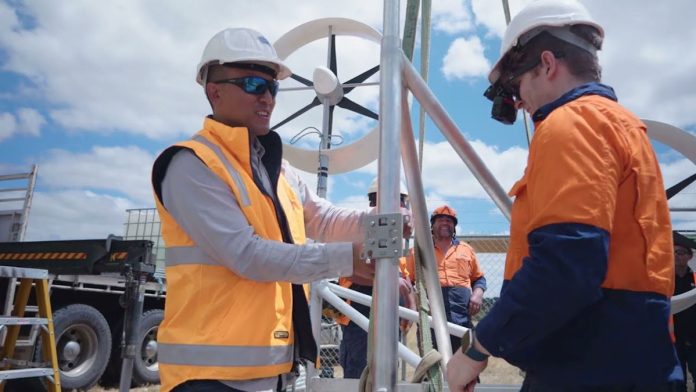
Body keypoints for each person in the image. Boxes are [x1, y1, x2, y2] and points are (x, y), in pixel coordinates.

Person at [151, 28, 411, 392]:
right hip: (209, 377)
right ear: (214, 90)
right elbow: (246, 254)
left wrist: (382, 223)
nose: (268, 98)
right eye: (254, 84)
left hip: (273, 370)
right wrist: (346, 260)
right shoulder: (191, 165)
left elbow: (323, 219)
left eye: (273, 87)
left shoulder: (277, 168)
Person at [446, 1, 681, 391]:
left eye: (517, 86)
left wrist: (476, 349)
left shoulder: (570, 124)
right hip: (637, 359)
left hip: (585, 366)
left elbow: (566, 266)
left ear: (548, 63)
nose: (518, 103)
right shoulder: (625, 126)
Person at [336, 178, 416, 379]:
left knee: (387, 372)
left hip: (389, 316)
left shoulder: (395, 239)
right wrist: (388, 280)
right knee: (360, 373)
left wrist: (411, 306)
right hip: (360, 314)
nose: (403, 208)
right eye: (400, 201)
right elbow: (352, 271)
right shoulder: (359, 227)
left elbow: (404, 278)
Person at [406, 205, 486, 353]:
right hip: (430, 315)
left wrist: (477, 294)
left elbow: (479, 279)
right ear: (432, 225)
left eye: (449, 220)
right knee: (433, 361)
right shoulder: (418, 251)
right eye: (440, 219)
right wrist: (415, 302)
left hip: (462, 315)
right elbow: (407, 279)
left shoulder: (466, 249)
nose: (445, 223)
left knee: (466, 360)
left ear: (454, 226)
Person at [673, 233, 696, 392]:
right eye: (672, 252)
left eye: (680, 252)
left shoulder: (695, 278)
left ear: (689, 256)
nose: (675, 256)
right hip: (672, 341)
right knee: (676, 382)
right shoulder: (663, 280)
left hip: (694, 339)